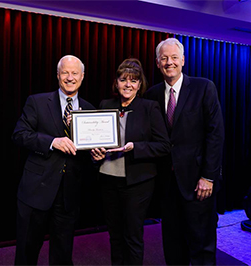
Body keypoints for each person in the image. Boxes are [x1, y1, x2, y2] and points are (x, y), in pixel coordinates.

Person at [144, 38, 224, 265]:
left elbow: (216, 135)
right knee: (172, 243)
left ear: (183, 61)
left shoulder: (204, 87)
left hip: (199, 183)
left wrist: (208, 177)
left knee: (202, 244)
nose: (169, 62)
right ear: (158, 63)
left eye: (174, 58)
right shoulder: (152, 95)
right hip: (167, 184)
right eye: (164, 58)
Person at [12, 55, 95, 265]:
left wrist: (97, 155)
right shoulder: (37, 102)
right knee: (27, 251)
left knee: (62, 253)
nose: (70, 77)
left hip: (69, 195)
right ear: (57, 75)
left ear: (82, 77)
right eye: (65, 72)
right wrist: (52, 142)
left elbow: (88, 152)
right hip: (36, 191)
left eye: (74, 73)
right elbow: (20, 134)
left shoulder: (90, 109)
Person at [90, 58, 171, 265]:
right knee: (115, 235)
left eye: (133, 80)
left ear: (139, 84)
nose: (128, 84)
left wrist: (135, 147)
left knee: (133, 236)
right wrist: (94, 153)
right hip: (108, 179)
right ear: (116, 83)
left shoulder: (149, 107)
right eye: (123, 79)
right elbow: (96, 140)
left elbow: (163, 145)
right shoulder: (105, 105)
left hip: (138, 183)